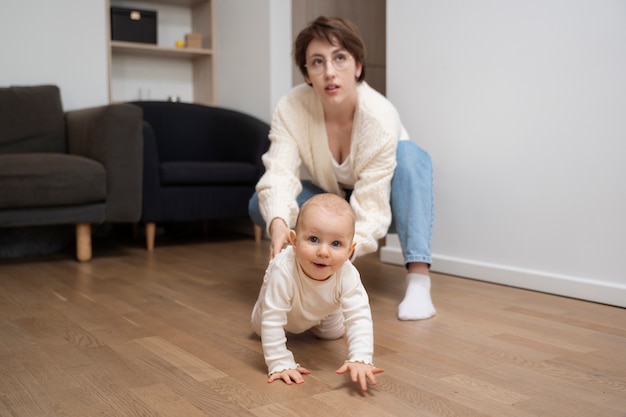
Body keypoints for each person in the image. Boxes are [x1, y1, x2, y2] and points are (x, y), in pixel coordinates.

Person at [249, 16, 436, 321]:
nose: (330, 73)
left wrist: (336, 261)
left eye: (340, 58)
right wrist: (280, 224)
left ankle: (418, 280)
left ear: (358, 66)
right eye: (317, 62)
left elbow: (372, 207)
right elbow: (279, 172)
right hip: (334, 198)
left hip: (389, 199)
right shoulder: (291, 107)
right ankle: (301, 271)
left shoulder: (380, 116)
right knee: (263, 205)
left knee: (411, 154)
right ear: (307, 73)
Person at [250, 193, 382, 391]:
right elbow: (273, 319)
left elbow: (359, 317)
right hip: (281, 306)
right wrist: (279, 362)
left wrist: (361, 358)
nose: (323, 252)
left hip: (321, 308)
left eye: (336, 244)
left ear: (349, 251)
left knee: (333, 333)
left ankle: (326, 310)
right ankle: (264, 301)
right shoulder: (283, 270)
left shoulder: (348, 274)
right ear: (294, 241)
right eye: (313, 239)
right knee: (261, 328)